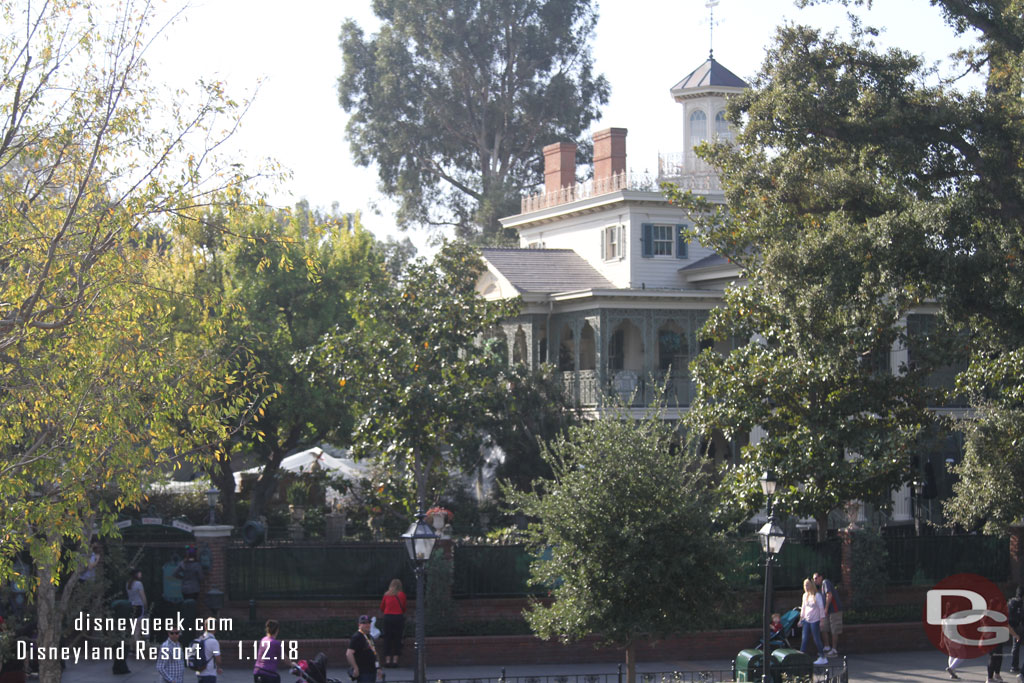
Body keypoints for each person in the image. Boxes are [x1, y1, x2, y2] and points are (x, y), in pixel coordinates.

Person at [797, 577, 828, 666]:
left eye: (807, 585)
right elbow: (803, 608)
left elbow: (821, 608)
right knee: (804, 638)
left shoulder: (816, 595)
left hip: (815, 620)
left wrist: (822, 621)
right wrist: (800, 619)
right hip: (806, 620)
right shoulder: (805, 595)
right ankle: (801, 657)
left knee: (816, 638)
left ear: (811, 585)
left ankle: (822, 657)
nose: (806, 587)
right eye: (804, 585)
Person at [813, 571, 843, 656]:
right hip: (828, 611)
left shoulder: (825, 582)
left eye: (816, 578)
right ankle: (827, 647)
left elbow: (829, 595)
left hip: (834, 610)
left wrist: (825, 608)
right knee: (824, 628)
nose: (815, 581)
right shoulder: (820, 588)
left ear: (820, 577)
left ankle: (834, 649)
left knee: (834, 629)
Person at [379, 578, 407, 668]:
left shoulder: (386, 595)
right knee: (397, 639)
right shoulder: (402, 595)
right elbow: (404, 608)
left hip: (388, 618)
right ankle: (395, 661)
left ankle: (387, 661)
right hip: (398, 618)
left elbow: (382, 607)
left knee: (387, 638)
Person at [346, 614, 380, 683]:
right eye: (364, 623)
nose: (367, 625)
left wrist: (378, 668)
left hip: (372, 671)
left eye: (368, 623)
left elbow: (374, 653)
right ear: (359, 625)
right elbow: (349, 653)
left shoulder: (370, 637)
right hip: (363, 672)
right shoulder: (357, 637)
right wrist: (355, 668)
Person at [126, 568, 147, 642]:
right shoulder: (139, 584)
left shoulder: (128, 584)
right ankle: (136, 649)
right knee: (137, 630)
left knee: (133, 629)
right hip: (139, 606)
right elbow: (143, 597)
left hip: (131, 606)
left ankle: (132, 650)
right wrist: (145, 606)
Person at [1008, 585, 1024, 674]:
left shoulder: (1011, 601)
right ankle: (1015, 666)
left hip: (1013, 625)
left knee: (1015, 646)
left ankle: (1014, 666)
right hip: (1020, 625)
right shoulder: (1021, 602)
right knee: (1016, 646)